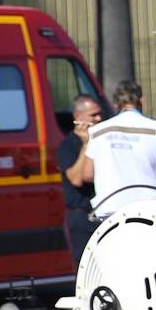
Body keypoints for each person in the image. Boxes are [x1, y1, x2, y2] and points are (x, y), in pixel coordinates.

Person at [86, 79, 156, 216]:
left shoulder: (98, 131)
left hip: (109, 207)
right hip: (150, 207)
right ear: (141, 100)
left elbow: (88, 174)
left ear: (115, 104)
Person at [58, 93, 103, 262]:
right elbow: (76, 179)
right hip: (81, 216)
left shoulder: (103, 141)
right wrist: (86, 145)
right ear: (78, 117)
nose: (99, 118)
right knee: (85, 266)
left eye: (99, 114)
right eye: (93, 115)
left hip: (102, 213)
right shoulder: (67, 145)